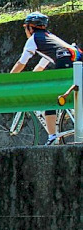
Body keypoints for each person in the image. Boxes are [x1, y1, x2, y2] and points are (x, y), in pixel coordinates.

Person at [10, 11, 83, 145]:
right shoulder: (50, 39)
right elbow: (41, 66)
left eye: (26, 27)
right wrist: (32, 78)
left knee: (49, 98)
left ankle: (52, 137)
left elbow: (21, 63)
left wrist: (9, 80)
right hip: (78, 60)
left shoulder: (33, 40)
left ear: (30, 27)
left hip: (67, 63)